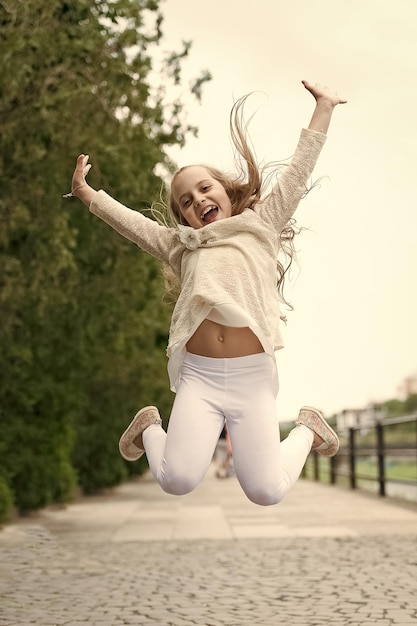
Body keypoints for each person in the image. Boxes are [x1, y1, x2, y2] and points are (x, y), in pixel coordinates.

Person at [66, 80, 346, 506]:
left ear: (226, 190)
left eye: (204, 188)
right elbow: (134, 226)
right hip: (200, 376)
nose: (197, 200)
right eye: (185, 202)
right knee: (176, 479)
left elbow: (298, 173)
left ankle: (308, 428)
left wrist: (323, 107)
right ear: (185, 218)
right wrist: (89, 194)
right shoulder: (182, 246)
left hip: (252, 376)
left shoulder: (261, 224)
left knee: (266, 490)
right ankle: (148, 427)